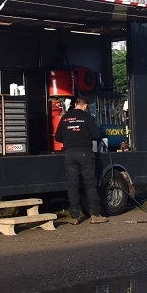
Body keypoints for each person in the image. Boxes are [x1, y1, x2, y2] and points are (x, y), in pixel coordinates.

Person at [54, 96, 108, 224]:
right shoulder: (87, 117)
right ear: (85, 106)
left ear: (76, 104)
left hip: (69, 154)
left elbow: (58, 137)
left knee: (72, 185)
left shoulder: (65, 117)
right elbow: (96, 135)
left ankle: (74, 217)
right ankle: (94, 215)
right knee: (90, 184)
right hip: (84, 153)